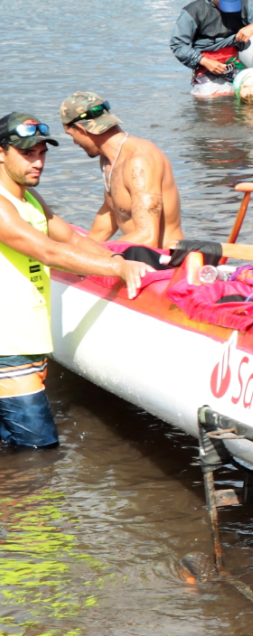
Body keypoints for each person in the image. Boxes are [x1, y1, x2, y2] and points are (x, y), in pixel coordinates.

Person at [0, 113, 153, 450]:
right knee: (39, 453)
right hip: (6, 350)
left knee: (15, 449)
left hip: (27, 342)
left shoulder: (29, 199)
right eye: (27, 154)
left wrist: (115, 259)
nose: (37, 162)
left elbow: (68, 235)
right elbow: (47, 251)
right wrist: (116, 272)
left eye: (42, 153)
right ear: (1, 152)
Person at [59, 92, 185, 252]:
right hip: (138, 258)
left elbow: (148, 238)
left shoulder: (138, 162)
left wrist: (96, 253)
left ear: (81, 128)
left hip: (166, 262)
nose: (75, 142)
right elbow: (111, 212)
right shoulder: (108, 159)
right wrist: (79, 250)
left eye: (71, 135)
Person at [169, 0, 253, 97]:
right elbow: (177, 45)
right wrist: (204, 61)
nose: (229, 10)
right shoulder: (193, 11)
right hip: (206, 64)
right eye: (225, 4)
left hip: (233, 63)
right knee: (210, 101)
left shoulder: (244, 6)